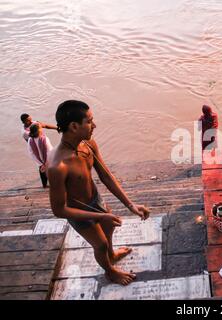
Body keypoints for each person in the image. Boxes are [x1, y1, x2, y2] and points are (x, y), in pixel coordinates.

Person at [47, 100, 150, 286]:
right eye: (89, 121)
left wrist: (130, 205)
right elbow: (59, 210)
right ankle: (110, 272)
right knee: (100, 244)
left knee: (109, 229)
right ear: (74, 126)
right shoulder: (57, 166)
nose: (94, 125)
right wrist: (99, 216)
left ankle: (111, 255)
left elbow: (106, 176)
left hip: (95, 200)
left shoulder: (88, 144)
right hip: (77, 211)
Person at [27, 123, 53, 188]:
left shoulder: (30, 140)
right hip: (48, 160)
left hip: (39, 161)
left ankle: (44, 185)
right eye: (40, 128)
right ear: (38, 131)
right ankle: (53, 185)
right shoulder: (45, 138)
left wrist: (41, 164)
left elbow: (31, 153)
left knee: (42, 172)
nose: (42, 129)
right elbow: (50, 151)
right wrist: (46, 163)